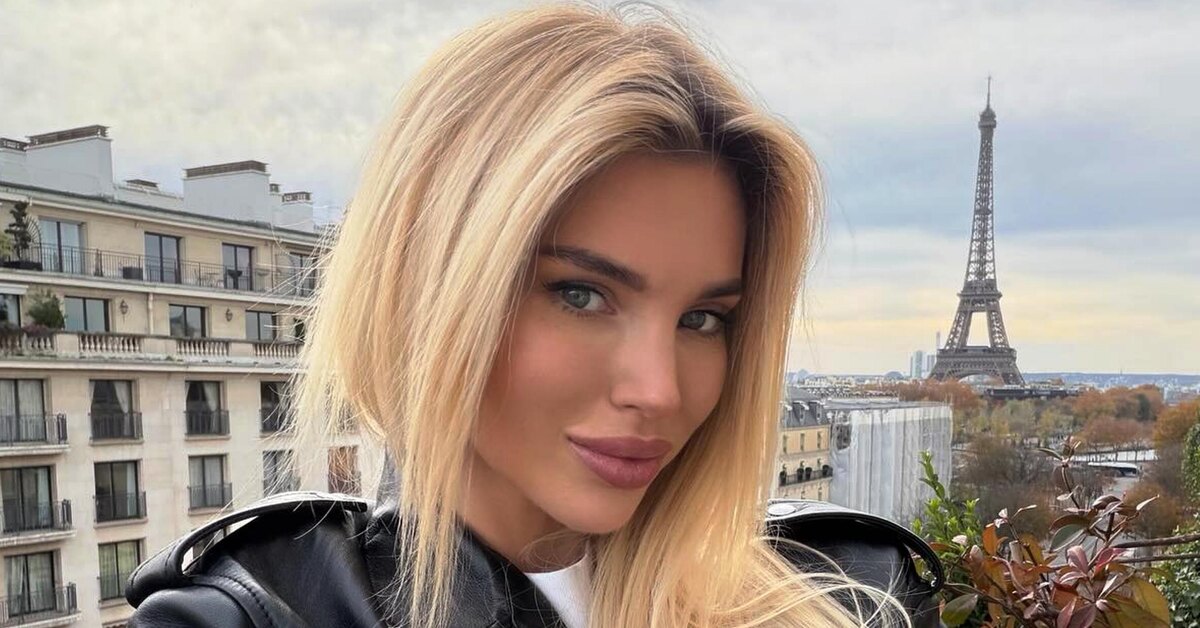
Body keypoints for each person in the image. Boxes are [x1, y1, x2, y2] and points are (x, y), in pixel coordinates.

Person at [125, 4, 941, 627]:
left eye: (703, 318)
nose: (659, 390)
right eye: (580, 294)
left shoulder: (854, 592)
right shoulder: (257, 613)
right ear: (426, 291)